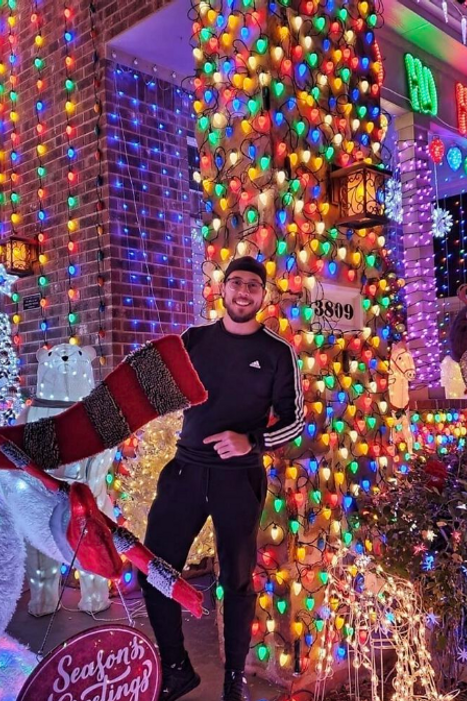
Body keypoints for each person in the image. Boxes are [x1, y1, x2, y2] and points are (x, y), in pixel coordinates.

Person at [140, 256, 304, 701]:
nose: (244, 292)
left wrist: (250, 440)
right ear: (223, 289)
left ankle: (235, 678)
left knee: (235, 580)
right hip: (185, 471)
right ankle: (175, 667)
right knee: (154, 570)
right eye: (237, 283)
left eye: (253, 285)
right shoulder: (193, 340)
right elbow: (156, 388)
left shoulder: (277, 353)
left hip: (238, 479)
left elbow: (295, 424)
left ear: (263, 295)